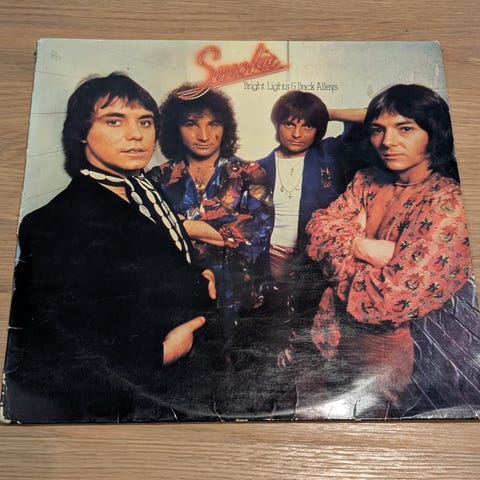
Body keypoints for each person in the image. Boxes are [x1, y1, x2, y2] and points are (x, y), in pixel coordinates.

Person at [1, 73, 217, 423]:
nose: (136, 135)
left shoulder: (144, 191)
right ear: (81, 133)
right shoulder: (54, 222)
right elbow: (60, 344)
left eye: (144, 121)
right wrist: (161, 353)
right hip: (126, 407)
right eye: (114, 121)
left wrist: (197, 277)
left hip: (180, 385)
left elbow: (149, 262)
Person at [298, 84, 474, 418]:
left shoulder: (448, 203)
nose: (388, 141)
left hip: (387, 356)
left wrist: (341, 245)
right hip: (332, 334)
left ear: (433, 132)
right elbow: (317, 228)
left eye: (405, 128)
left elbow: (384, 302)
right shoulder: (366, 180)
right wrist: (361, 245)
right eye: (378, 130)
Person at [147, 84, 273, 366]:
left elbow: (255, 235)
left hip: (244, 299)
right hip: (183, 299)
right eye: (191, 124)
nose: (203, 135)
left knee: (245, 372)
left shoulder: (250, 172)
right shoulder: (158, 177)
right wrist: (224, 227)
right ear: (175, 128)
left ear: (225, 127)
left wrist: (179, 225)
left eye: (213, 123)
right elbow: (150, 238)